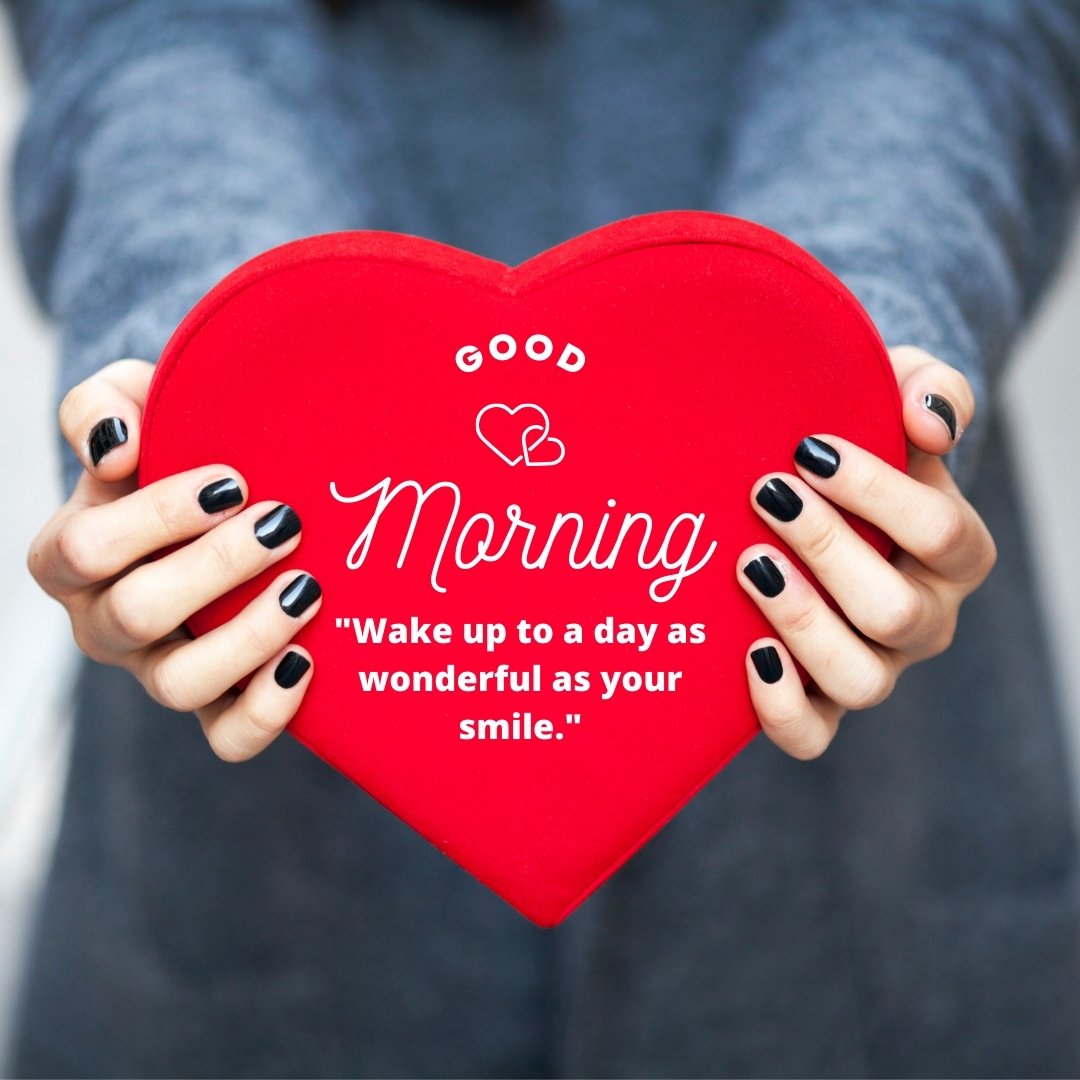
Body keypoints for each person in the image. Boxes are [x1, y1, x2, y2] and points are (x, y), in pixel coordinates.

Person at [8, 0, 1080, 1075]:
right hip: (270, 853)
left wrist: (842, 346)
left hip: (858, 850)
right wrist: (211, 374)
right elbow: (150, 28)